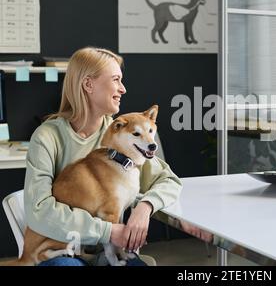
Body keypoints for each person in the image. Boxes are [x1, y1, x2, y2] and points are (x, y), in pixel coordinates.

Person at [23, 47, 182, 266]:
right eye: (116, 80)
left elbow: (170, 181)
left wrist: (145, 207)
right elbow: (39, 211)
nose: (123, 89)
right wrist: (107, 231)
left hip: (107, 251)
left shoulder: (122, 135)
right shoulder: (47, 137)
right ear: (88, 85)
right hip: (62, 250)